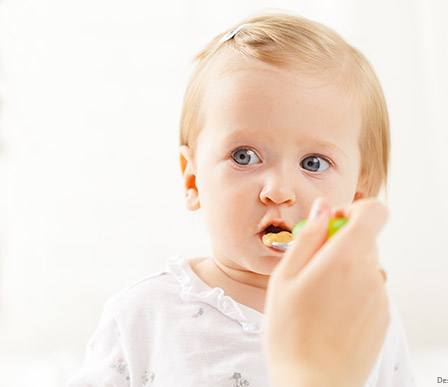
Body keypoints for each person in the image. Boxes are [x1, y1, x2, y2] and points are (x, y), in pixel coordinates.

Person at [68, 13, 415, 387]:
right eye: (244, 156)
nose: (279, 191)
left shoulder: (364, 312)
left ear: (357, 196)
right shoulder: (143, 316)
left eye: (313, 163)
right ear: (193, 178)